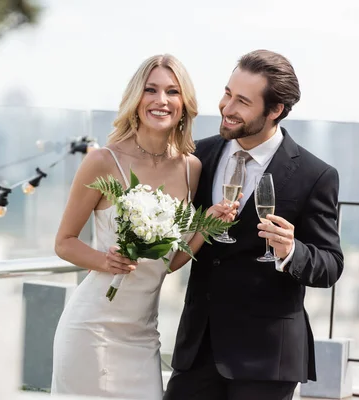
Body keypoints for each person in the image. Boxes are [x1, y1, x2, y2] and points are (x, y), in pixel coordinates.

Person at [50, 54, 237, 399]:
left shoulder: (190, 169)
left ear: (184, 104)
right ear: (136, 99)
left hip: (143, 336)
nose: (161, 100)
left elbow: (170, 262)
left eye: (172, 91)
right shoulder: (102, 161)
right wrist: (105, 260)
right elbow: (64, 242)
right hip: (92, 329)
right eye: (151, 90)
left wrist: (206, 226)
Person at [163, 49, 344, 400]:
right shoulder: (198, 156)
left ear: (275, 110)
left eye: (242, 101)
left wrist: (292, 250)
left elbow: (330, 265)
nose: (227, 108)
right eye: (227, 94)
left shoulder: (315, 175)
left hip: (267, 358)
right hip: (198, 348)